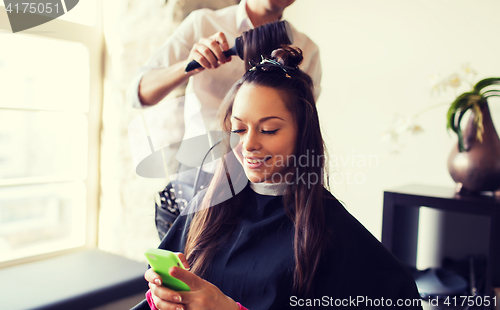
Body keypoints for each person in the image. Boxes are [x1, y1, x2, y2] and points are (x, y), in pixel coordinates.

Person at [131, 46, 422, 310]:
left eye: (268, 129)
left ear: (302, 134)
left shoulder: (330, 232)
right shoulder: (206, 208)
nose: (248, 144)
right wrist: (164, 299)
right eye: (239, 129)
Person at [127, 0, 322, 239]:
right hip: (200, 175)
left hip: (263, 188)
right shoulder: (204, 24)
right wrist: (189, 66)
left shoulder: (306, 50)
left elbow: (301, 129)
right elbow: (138, 93)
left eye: (268, 128)